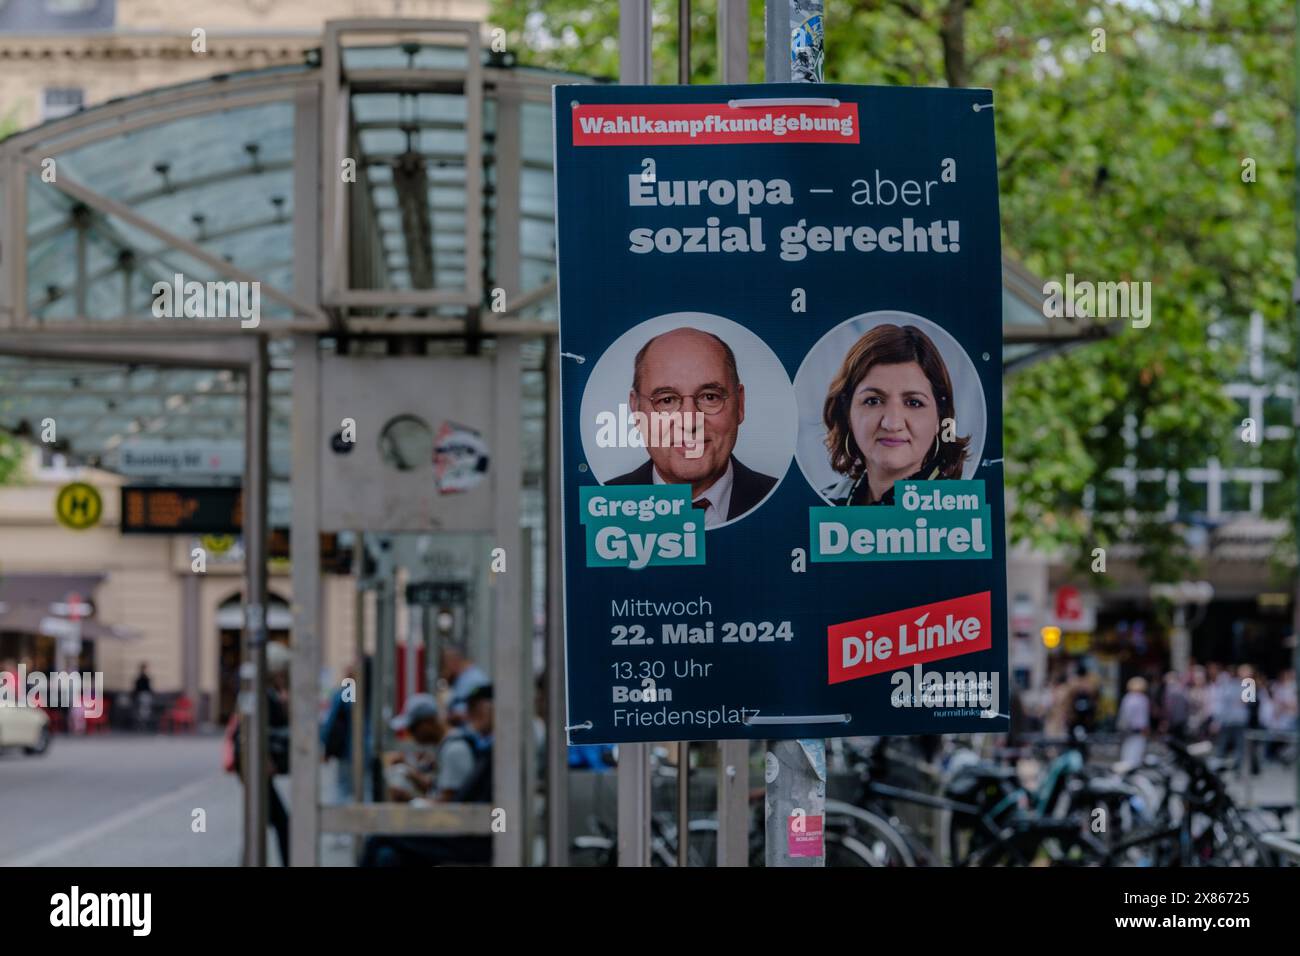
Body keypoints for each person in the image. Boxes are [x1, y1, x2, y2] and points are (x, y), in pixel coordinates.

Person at [608, 326, 777, 526]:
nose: (689, 422)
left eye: (709, 397)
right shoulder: (604, 506)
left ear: (739, 404)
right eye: (667, 400)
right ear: (636, 410)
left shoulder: (785, 503)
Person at [820, 323, 970, 506]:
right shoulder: (822, 504)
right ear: (847, 411)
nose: (892, 423)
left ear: (940, 417)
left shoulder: (962, 512)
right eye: (873, 401)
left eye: (914, 403)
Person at [383, 693, 446, 801]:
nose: (411, 735)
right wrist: (407, 770)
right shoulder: (441, 748)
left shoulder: (453, 750)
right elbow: (434, 786)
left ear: (427, 723)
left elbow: (449, 805)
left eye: (412, 728)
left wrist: (411, 800)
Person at [440, 641, 489, 724]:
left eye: (445, 663)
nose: (445, 668)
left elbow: (484, 713)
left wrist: (455, 716)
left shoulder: (476, 679)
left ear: (453, 660)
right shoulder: (459, 679)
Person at [1117, 676, 1151, 766]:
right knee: (1136, 753)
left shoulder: (1128, 698)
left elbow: (1125, 715)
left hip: (1129, 729)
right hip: (1140, 729)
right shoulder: (1143, 699)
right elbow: (1144, 717)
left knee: (1127, 752)